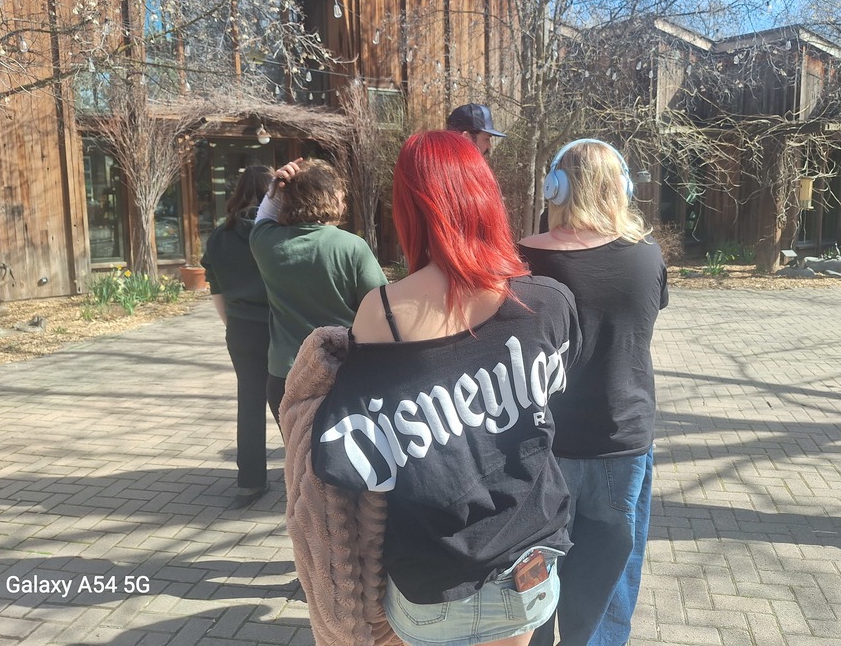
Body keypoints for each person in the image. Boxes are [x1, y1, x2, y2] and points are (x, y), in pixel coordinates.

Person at [282, 130, 582, 646]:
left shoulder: (384, 311)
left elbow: (350, 457)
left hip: (431, 576)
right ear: (487, 198)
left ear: (409, 209)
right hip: (529, 565)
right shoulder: (550, 301)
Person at [519, 138, 668, 646]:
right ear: (621, 188)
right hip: (620, 435)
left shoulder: (521, 258)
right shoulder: (647, 256)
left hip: (537, 443)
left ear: (554, 187)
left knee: (530, 567)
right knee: (611, 571)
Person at [250, 157, 387, 428]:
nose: (343, 200)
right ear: (329, 197)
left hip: (285, 375)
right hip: (342, 372)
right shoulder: (351, 247)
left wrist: (276, 187)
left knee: (298, 463)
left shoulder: (264, 243)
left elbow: (263, 216)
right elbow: (383, 308)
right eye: (340, 193)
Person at [201, 165, 275, 508]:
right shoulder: (277, 232)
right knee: (295, 403)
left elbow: (216, 289)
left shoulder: (219, 236)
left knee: (249, 401)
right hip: (281, 327)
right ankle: (311, 476)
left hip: (242, 327)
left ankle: (249, 481)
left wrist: (232, 323)